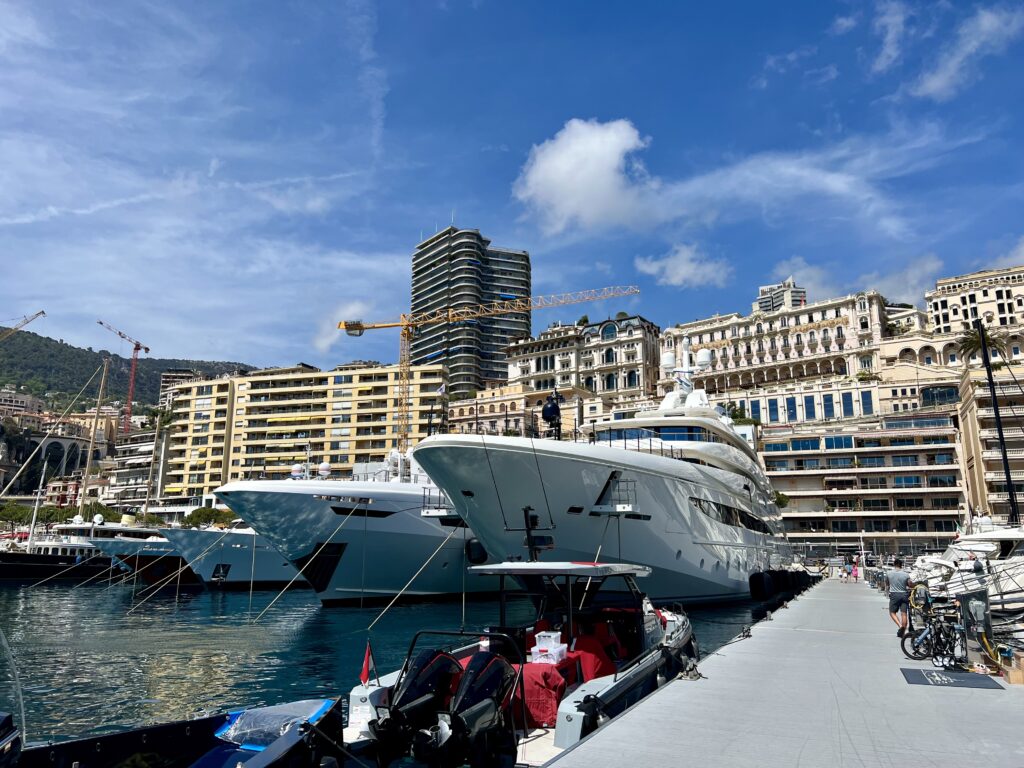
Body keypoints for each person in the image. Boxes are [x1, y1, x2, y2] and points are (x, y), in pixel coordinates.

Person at [885, 558, 913, 637]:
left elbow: (887, 584)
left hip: (894, 595)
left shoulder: (889, 573)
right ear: (901, 565)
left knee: (892, 612)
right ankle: (905, 630)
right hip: (904, 595)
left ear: (894, 565)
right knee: (904, 613)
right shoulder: (906, 574)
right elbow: (909, 584)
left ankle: (900, 626)